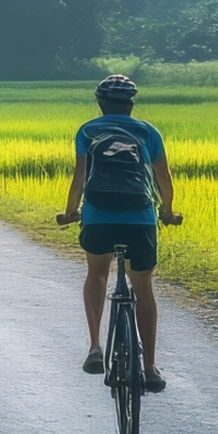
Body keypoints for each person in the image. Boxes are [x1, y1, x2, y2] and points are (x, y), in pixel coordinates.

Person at [57, 75, 182, 393]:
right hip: (140, 218)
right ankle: (150, 368)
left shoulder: (88, 131)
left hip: (98, 216)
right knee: (143, 286)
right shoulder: (148, 131)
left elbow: (79, 178)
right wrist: (167, 212)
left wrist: (71, 212)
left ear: (100, 103)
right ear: (131, 104)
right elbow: (163, 179)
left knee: (97, 273)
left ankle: (95, 347)